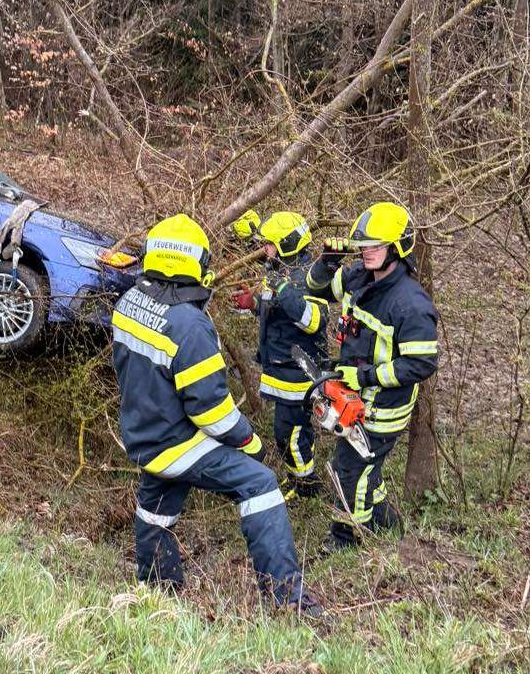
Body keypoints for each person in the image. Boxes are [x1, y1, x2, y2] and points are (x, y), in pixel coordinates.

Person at [111, 213, 321, 615]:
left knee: (155, 505)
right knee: (260, 484)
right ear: (192, 263)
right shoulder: (189, 326)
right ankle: (285, 598)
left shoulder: (129, 302)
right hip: (178, 440)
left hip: (143, 433)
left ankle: (157, 588)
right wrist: (251, 442)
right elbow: (212, 412)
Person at [306, 202, 438, 549]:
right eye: (364, 245)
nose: (367, 251)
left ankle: (345, 538)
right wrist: (326, 261)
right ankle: (387, 525)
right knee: (364, 468)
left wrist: (366, 377)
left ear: (397, 247)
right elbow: (316, 289)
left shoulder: (411, 304)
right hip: (353, 396)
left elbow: (421, 364)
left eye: (375, 245)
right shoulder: (357, 276)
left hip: (383, 406)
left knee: (349, 469)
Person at [229, 211, 329, 500]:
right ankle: (300, 480)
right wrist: (253, 302)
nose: (265, 249)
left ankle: (306, 486)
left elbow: (312, 320)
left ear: (287, 243)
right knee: (289, 431)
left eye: (270, 244)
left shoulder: (311, 276)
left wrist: (283, 290)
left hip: (298, 372)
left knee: (290, 433)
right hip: (280, 367)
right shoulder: (278, 270)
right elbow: (276, 307)